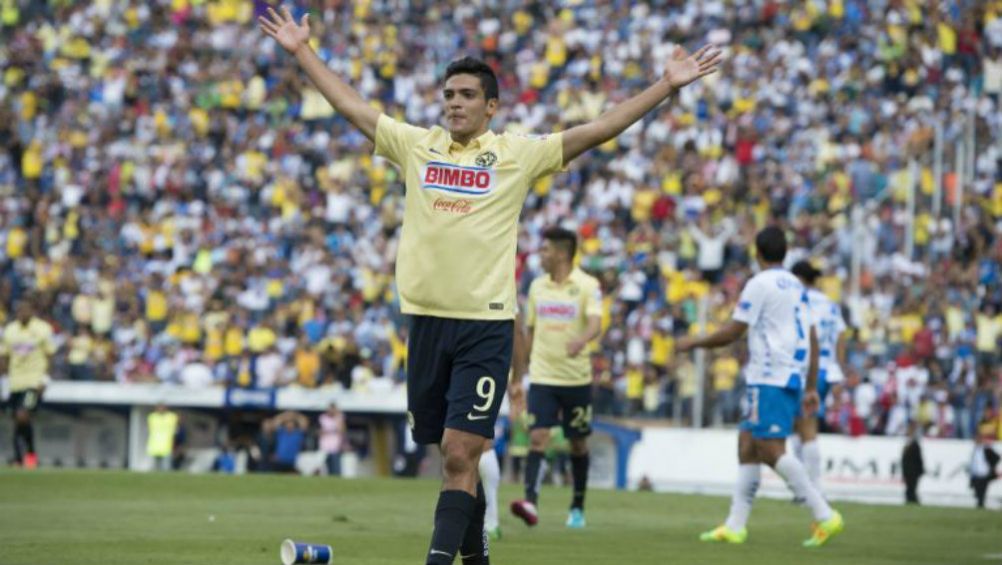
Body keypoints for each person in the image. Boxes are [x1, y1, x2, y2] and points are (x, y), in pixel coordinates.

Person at [258, 6, 721, 565]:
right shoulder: (415, 145)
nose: (453, 101)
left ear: (491, 106)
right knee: (453, 456)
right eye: (448, 93)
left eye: (466, 94)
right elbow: (352, 105)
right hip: (425, 323)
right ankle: (476, 558)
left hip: (485, 326)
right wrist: (302, 52)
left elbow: (597, 129)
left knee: (460, 452)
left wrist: (664, 88)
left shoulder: (516, 155)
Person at [677, 227, 844, 548]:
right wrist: (810, 385)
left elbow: (734, 331)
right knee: (747, 445)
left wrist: (693, 342)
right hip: (784, 375)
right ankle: (735, 526)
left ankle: (823, 513)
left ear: (757, 253)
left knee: (770, 449)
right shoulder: (796, 285)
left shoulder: (759, 284)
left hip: (771, 376)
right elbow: (811, 336)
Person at [510, 227, 603, 529]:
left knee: (578, 444)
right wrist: (519, 377)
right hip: (543, 377)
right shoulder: (537, 287)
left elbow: (595, 322)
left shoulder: (587, 285)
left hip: (576, 379)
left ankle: (577, 506)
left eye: (546, 249)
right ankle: (531, 503)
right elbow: (529, 334)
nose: (542, 254)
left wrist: (581, 340)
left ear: (562, 253)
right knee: (538, 437)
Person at [790, 260, 848, 496]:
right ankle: (805, 487)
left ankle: (812, 488)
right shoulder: (830, 304)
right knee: (801, 426)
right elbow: (842, 336)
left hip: (805, 369)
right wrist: (839, 370)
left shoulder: (798, 300)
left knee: (805, 427)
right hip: (827, 369)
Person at [0, 298, 56, 468]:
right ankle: (20, 457)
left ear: (32, 311)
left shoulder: (42, 329)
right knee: (16, 419)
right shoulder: (10, 330)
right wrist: (4, 379)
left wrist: (45, 379)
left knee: (22, 415)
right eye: (19, 310)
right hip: (15, 382)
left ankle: (28, 455)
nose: (22, 313)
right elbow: (5, 357)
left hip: (33, 381)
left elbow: (50, 355)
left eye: (25, 310)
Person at [969, 421, 1000, 509]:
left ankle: (981, 505)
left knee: (981, 493)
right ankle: (980, 504)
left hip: (984, 474)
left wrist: (992, 466)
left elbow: (996, 457)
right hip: (976, 474)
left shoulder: (986, 449)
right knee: (977, 492)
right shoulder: (975, 450)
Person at [147, 403, 179, 471]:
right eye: (159, 407)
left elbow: (174, 432)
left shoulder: (172, 417)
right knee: (154, 468)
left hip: (167, 446)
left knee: (166, 468)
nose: (160, 409)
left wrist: (174, 445)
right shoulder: (152, 417)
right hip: (154, 445)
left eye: (162, 407)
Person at [318, 403, 347, 476]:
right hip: (325, 444)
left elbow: (341, 430)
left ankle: (337, 476)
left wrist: (337, 417)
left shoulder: (339, 417)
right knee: (327, 463)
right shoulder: (323, 417)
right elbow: (320, 431)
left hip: (336, 443)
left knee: (336, 463)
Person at [901, 422, 925, 505]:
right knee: (909, 488)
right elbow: (903, 460)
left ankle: (913, 501)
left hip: (914, 471)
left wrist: (920, 470)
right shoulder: (907, 443)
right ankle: (910, 500)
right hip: (907, 471)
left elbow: (919, 459)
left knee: (912, 488)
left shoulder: (915, 444)